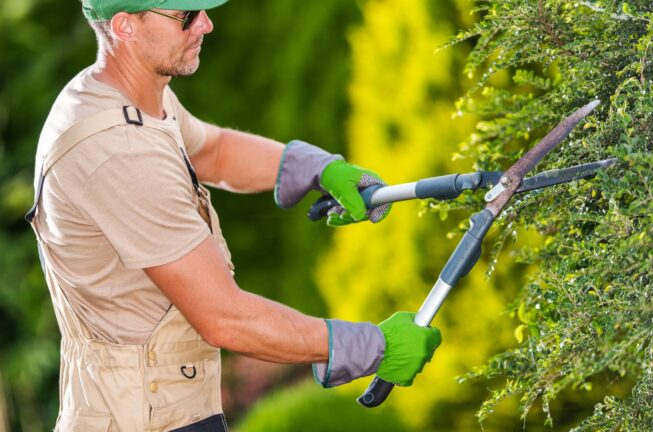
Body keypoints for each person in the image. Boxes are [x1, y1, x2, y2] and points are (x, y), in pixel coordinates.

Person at [25, 1, 442, 430]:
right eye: (186, 15)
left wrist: (317, 168)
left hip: (166, 408)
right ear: (125, 27)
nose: (206, 23)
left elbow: (212, 150)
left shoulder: (129, 94)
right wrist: (374, 346)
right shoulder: (118, 152)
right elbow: (225, 319)